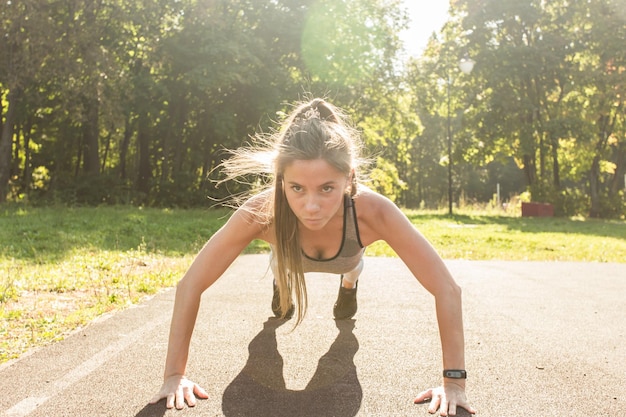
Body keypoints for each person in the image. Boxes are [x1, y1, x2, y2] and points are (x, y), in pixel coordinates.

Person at [149, 98, 476, 416]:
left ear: (348, 178)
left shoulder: (374, 212)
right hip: (290, 259)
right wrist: (173, 376)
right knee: (275, 293)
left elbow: (447, 289)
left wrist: (453, 383)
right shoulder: (260, 213)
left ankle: (349, 284)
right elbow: (190, 284)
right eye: (297, 188)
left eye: (327, 188)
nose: (311, 205)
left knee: (350, 280)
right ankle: (282, 281)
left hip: (347, 257)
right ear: (281, 180)